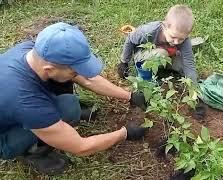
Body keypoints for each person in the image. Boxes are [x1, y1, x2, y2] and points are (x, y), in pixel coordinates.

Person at [0, 22, 147, 175]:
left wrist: (129, 96)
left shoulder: (36, 52)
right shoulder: (27, 102)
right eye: (74, 72)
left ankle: (48, 124)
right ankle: (34, 151)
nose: (78, 75)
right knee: (68, 107)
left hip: (14, 105)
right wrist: (124, 133)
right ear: (49, 69)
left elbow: (88, 79)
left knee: (65, 92)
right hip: (3, 138)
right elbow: (81, 147)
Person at [117, 4, 206, 119]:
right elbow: (130, 39)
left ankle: (163, 71)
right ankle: (148, 77)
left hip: (167, 54)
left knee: (182, 65)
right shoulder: (148, 30)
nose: (176, 42)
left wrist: (195, 96)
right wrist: (123, 62)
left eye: (181, 39)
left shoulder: (184, 40)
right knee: (161, 54)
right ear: (165, 27)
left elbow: (189, 64)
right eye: (173, 37)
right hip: (144, 56)